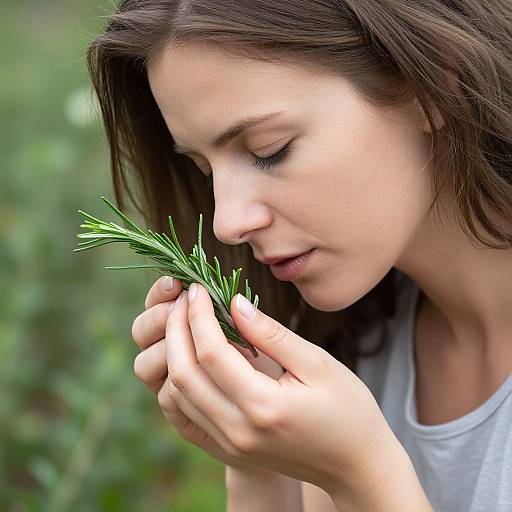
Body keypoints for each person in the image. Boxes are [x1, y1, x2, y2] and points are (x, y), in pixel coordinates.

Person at [87, 1, 512, 510]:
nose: (226, 223)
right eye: (206, 170)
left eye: (270, 149)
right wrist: (262, 471)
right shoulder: (357, 346)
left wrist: (361, 477)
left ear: (433, 86)